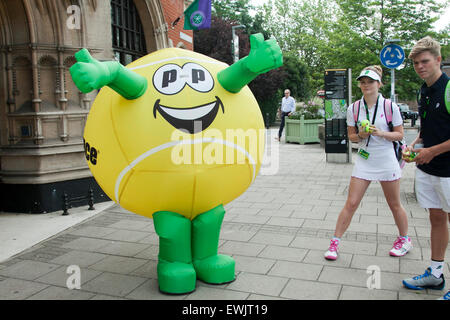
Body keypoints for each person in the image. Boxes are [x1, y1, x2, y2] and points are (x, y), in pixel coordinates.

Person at [324, 65, 412, 261]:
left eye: (370, 82)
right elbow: (351, 137)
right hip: (365, 159)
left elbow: (399, 134)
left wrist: (380, 133)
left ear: (379, 83)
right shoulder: (354, 108)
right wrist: (361, 135)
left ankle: (404, 239)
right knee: (352, 202)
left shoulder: (390, 107)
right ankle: (334, 243)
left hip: (387, 159)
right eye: (363, 82)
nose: (366, 85)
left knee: (394, 204)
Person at [401, 36, 450, 300]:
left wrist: (431, 151)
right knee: (436, 218)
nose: (420, 66)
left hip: (448, 170)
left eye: (425, 61)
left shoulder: (449, 88)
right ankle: (436, 273)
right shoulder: (423, 90)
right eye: (417, 63)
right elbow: (427, 129)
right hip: (428, 169)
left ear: (438, 60)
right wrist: (416, 145)